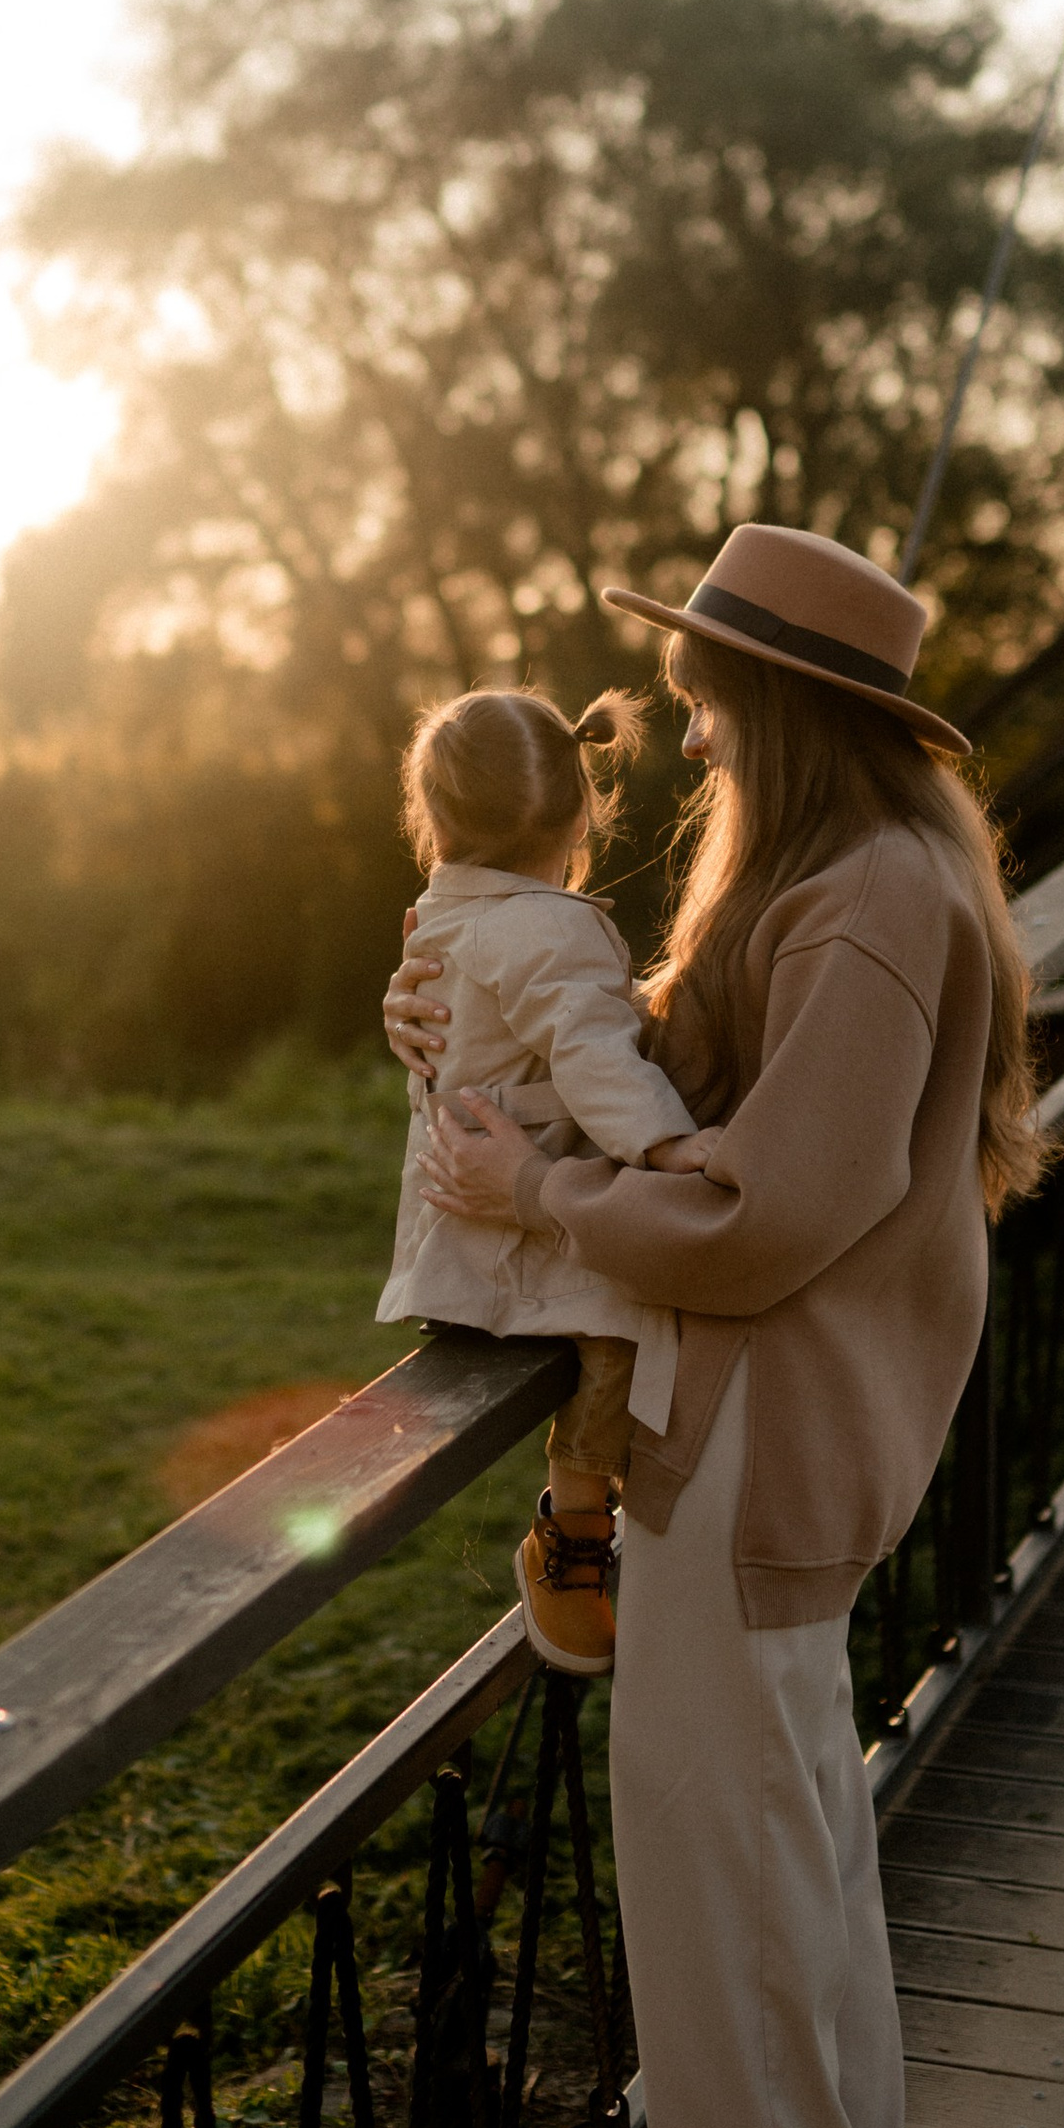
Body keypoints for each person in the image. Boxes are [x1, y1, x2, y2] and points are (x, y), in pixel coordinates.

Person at [384, 524, 1045, 2128]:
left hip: (753, 1428)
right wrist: (466, 1022)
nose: (685, 741)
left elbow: (763, 1211)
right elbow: (693, 1091)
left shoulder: (869, 900)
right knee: (789, 1866)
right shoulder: (856, 876)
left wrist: (540, 1197)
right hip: (749, 1420)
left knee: (727, 1878)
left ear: (784, 706)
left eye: (702, 703)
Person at [375, 683, 718, 1667]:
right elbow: (593, 1055)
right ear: (581, 809)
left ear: (433, 816)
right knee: (626, 1323)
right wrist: (664, 1145)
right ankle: (575, 1530)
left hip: (465, 1218)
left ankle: (586, 1526)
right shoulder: (553, 927)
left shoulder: (438, 912)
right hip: (533, 1226)